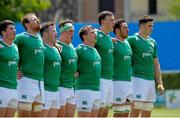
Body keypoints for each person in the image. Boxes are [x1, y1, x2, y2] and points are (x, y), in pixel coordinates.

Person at [127, 15, 165, 117]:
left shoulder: (152, 42)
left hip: (150, 81)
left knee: (147, 112)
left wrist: (160, 83)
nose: (152, 28)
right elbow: (119, 47)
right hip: (137, 80)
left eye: (152, 26)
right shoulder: (132, 40)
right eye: (149, 26)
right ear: (142, 26)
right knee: (136, 110)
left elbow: (156, 64)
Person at [14, 13, 45, 117]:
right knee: (24, 113)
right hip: (26, 80)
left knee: (37, 113)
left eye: (37, 18)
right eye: (34, 19)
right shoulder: (21, 38)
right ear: (27, 24)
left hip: (40, 82)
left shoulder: (40, 38)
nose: (38, 20)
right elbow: (7, 49)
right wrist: (14, 70)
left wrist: (56, 44)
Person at [75, 25, 101, 117]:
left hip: (96, 90)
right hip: (84, 90)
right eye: (92, 33)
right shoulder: (80, 49)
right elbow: (70, 64)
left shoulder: (95, 50)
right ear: (84, 36)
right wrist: (74, 72)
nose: (96, 34)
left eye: (96, 32)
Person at [95, 11, 115, 117]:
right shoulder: (95, 35)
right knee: (99, 110)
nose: (113, 22)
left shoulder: (108, 37)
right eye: (111, 20)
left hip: (109, 78)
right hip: (100, 78)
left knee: (106, 110)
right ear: (102, 22)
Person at [40, 22, 62, 117]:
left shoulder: (56, 49)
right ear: (45, 34)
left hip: (56, 90)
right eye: (53, 31)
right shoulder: (41, 49)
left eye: (56, 31)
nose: (56, 33)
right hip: (45, 90)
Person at [57, 19, 78, 117]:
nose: (73, 33)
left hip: (71, 87)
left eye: (73, 31)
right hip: (60, 87)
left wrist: (75, 72)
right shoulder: (57, 47)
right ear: (63, 32)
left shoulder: (72, 47)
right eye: (70, 31)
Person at [112, 19, 133, 117]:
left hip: (128, 82)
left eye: (127, 27)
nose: (127, 30)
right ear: (117, 30)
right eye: (124, 28)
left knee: (126, 113)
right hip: (117, 82)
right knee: (119, 112)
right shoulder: (112, 43)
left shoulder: (128, 44)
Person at [0, 20, 19, 117]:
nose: (14, 30)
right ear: (3, 32)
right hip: (2, 88)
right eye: (11, 29)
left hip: (14, 88)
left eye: (15, 28)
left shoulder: (15, 47)